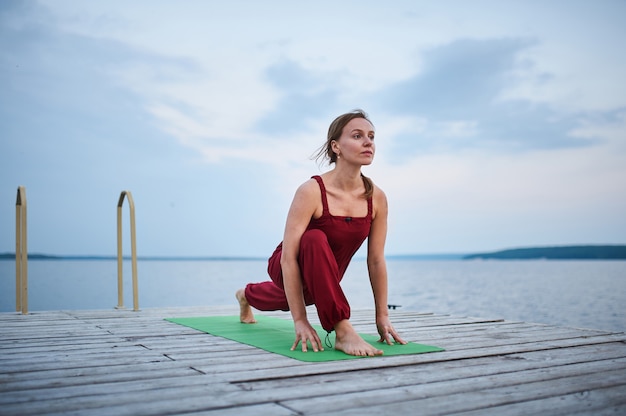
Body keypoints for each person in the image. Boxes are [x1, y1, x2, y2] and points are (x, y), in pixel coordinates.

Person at [236, 109, 406, 357]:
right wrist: (300, 320)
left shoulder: (376, 198)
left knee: (290, 298)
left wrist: (382, 315)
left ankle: (246, 295)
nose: (368, 142)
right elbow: (288, 258)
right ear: (336, 147)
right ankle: (343, 330)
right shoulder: (312, 191)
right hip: (288, 261)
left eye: (371, 136)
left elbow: (376, 260)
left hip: (327, 277)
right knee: (313, 237)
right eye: (357, 136)